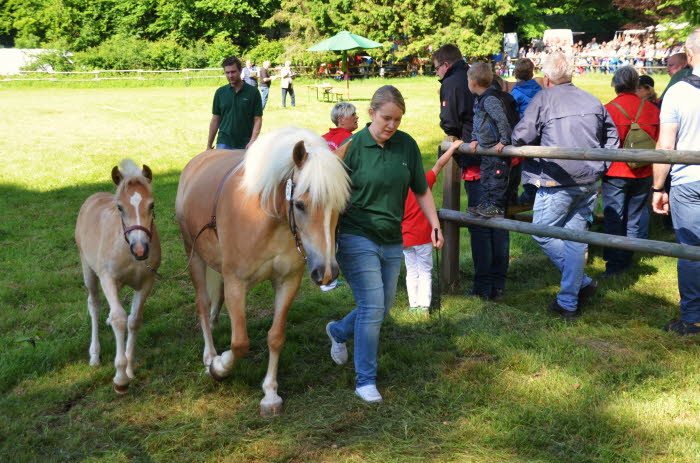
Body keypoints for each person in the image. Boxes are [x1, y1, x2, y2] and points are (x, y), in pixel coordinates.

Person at [325, 85, 444, 403]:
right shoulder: (350, 148)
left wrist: (434, 224)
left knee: (382, 304)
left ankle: (337, 332)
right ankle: (365, 380)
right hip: (355, 236)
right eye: (386, 119)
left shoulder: (406, 146)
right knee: (373, 306)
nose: (391, 126)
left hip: (393, 238)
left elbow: (421, 189)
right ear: (371, 114)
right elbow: (327, 200)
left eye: (398, 120)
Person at [512, 52, 620, 318]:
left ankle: (580, 284)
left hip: (556, 179)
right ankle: (568, 302)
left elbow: (521, 135)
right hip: (587, 182)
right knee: (574, 240)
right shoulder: (591, 99)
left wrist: (513, 137)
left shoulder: (543, 99)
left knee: (542, 231)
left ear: (547, 78)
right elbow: (612, 137)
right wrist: (599, 168)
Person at [652, 27, 700, 335]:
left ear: (691, 55)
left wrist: (658, 187)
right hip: (687, 182)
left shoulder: (678, 92)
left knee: (691, 250)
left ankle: (693, 317)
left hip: (687, 181)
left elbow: (665, 146)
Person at [602, 66, 660, 277]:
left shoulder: (608, 109)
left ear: (616, 84)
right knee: (634, 218)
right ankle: (627, 259)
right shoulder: (652, 109)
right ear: (636, 84)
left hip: (616, 171)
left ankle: (615, 265)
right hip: (643, 170)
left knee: (614, 218)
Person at [402, 139, 463, 313]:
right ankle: (424, 305)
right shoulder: (424, 181)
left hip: (405, 237)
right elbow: (439, 164)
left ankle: (413, 305)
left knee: (411, 271)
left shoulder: (397, 189)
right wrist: (452, 148)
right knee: (425, 271)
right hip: (423, 236)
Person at [320, 102, 359, 291]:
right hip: (341, 196)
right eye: (353, 115)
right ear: (341, 119)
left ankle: (326, 279)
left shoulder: (322, 139)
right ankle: (332, 279)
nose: (357, 117)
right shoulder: (350, 140)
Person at [467, 62, 512, 218]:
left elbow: (501, 120)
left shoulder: (490, 99)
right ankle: (486, 204)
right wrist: (474, 139)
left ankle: (497, 207)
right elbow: (478, 121)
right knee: (486, 178)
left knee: (496, 180)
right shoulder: (479, 100)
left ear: (473, 83)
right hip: (485, 149)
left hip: (496, 149)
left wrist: (504, 141)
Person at [207, 56, 263, 151]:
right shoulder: (220, 93)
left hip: (245, 143)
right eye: (227, 73)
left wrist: (253, 140)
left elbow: (258, 119)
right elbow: (215, 119)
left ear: (240, 71)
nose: (230, 76)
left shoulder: (253, 92)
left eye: (233, 72)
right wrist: (209, 145)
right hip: (224, 141)